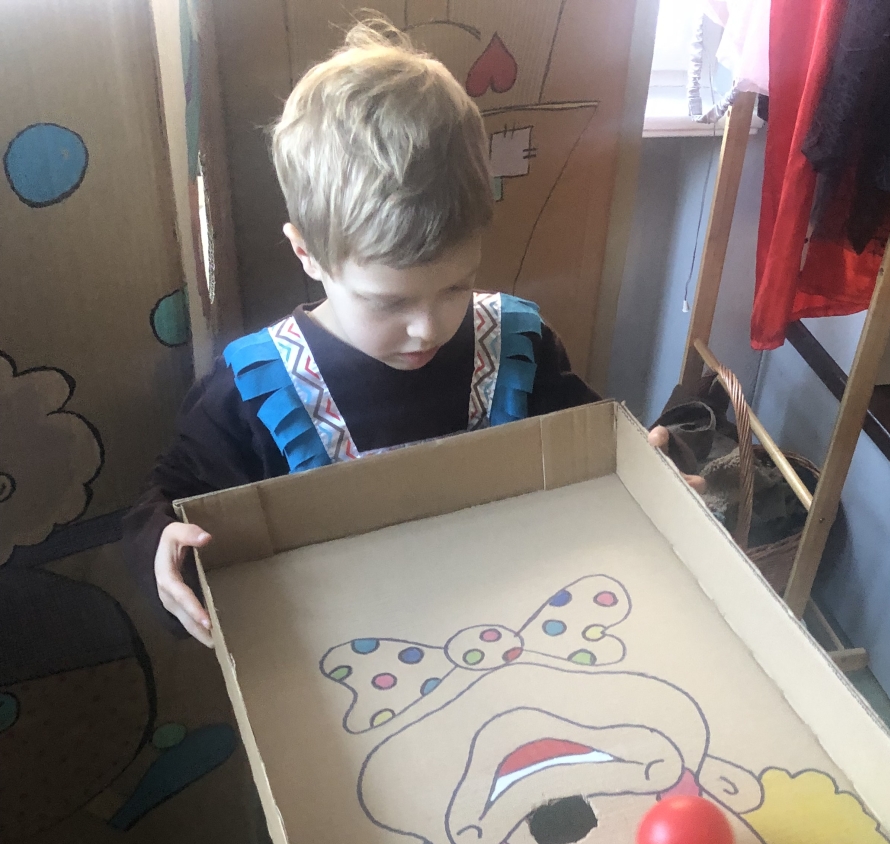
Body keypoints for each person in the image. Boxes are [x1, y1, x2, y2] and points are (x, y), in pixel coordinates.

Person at [127, 17, 694, 647]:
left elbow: (589, 456)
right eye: (388, 302)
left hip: (518, 627)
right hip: (347, 653)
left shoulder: (517, 346)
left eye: (456, 286)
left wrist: (646, 477)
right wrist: (162, 546)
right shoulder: (256, 389)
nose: (427, 328)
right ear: (307, 253)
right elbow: (175, 495)